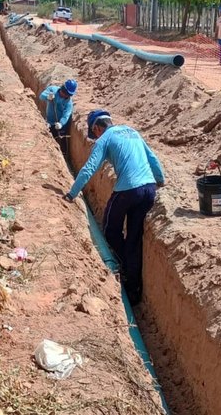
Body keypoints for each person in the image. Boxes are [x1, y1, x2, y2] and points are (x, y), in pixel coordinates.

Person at [63, 110, 166, 304]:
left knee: (110, 229)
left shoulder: (105, 138)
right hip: (149, 189)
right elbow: (152, 158)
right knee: (134, 239)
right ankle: (134, 289)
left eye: (95, 134)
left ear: (96, 128)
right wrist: (159, 180)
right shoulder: (132, 131)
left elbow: (89, 168)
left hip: (127, 191)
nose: (96, 137)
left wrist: (71, 194)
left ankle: (123, 264)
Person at [39, 79, 77, 158]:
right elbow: (41, 96)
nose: (66, 96)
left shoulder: (69, 103)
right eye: (66, 93)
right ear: (63, 88)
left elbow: (66, 115)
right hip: (50, 121)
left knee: (62, 139)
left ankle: (64, 156)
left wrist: (61, 123)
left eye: (69, 95)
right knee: (50, 139)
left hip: (61, 125)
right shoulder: (52, 90)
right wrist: (47, 97)